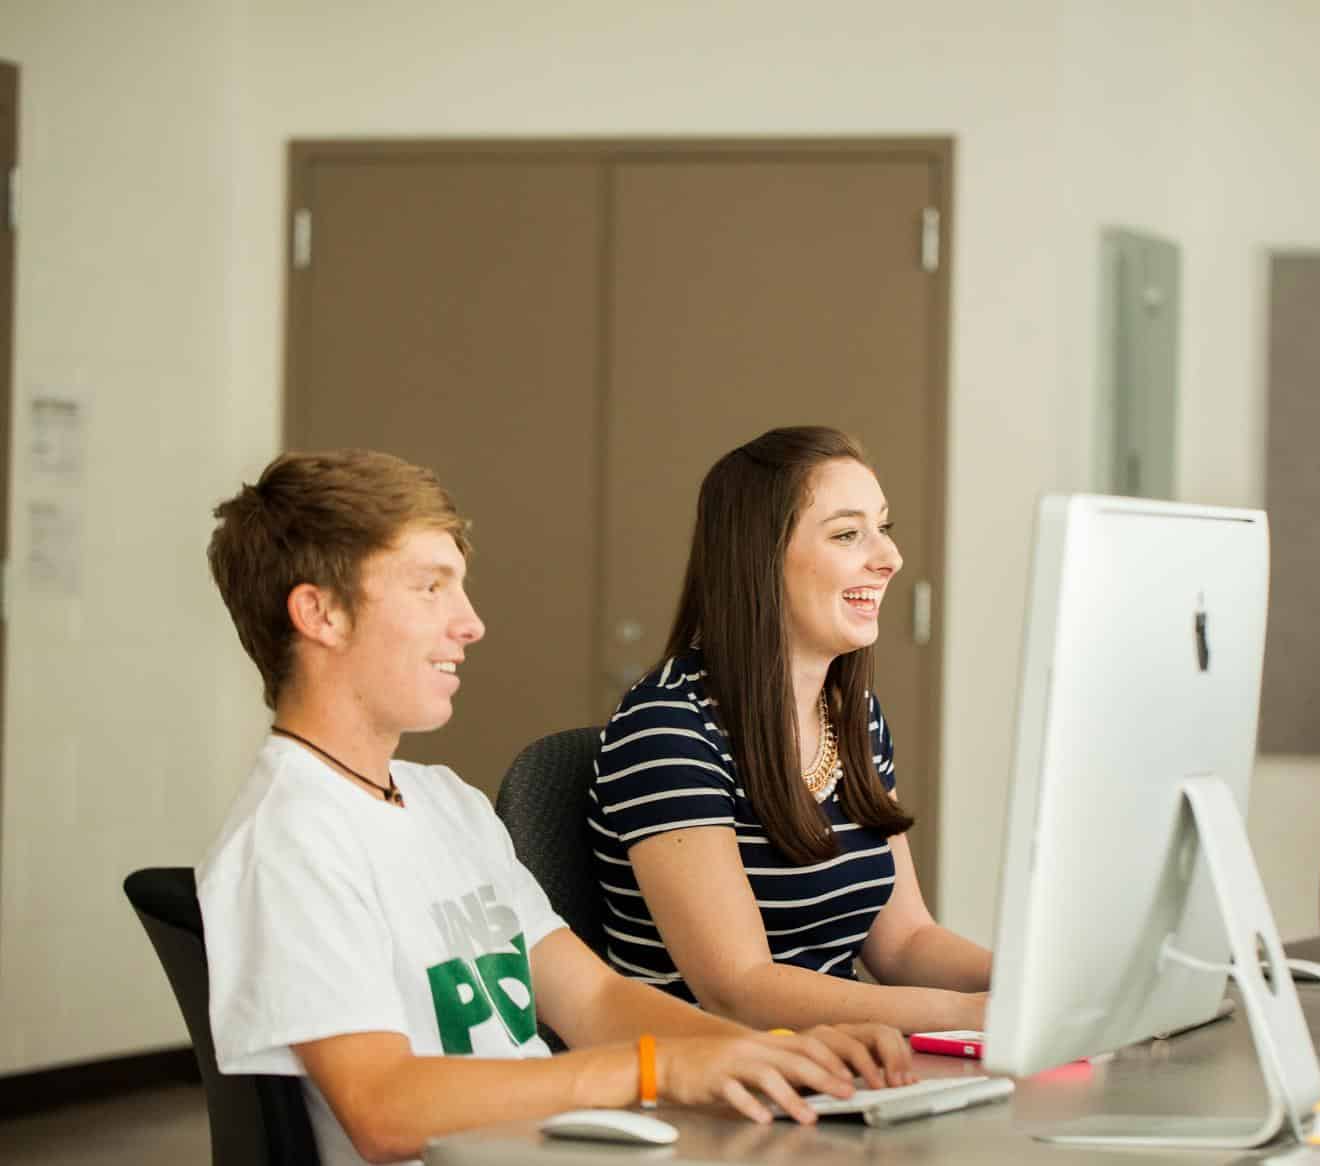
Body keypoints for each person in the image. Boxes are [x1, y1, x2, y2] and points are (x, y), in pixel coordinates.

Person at [197, 449, 910, 1166]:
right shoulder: (288, 840)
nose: (470, 622)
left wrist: (773, 1052)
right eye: (429, 588)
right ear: (319, 612)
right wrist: (656, 1069)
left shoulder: (447, 804)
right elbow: (382, 1108)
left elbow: (594, 1000)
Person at [589, 427, 991, 1034]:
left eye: (884, 527)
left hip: (835, 1069)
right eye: (848, 534)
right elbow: (740, 989)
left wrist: (1031, 989)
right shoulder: (667, 729)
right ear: (760, 557)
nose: (889, 557)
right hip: (713, 1088)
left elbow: (904, 942)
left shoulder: (852, 713)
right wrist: (973, 1015)